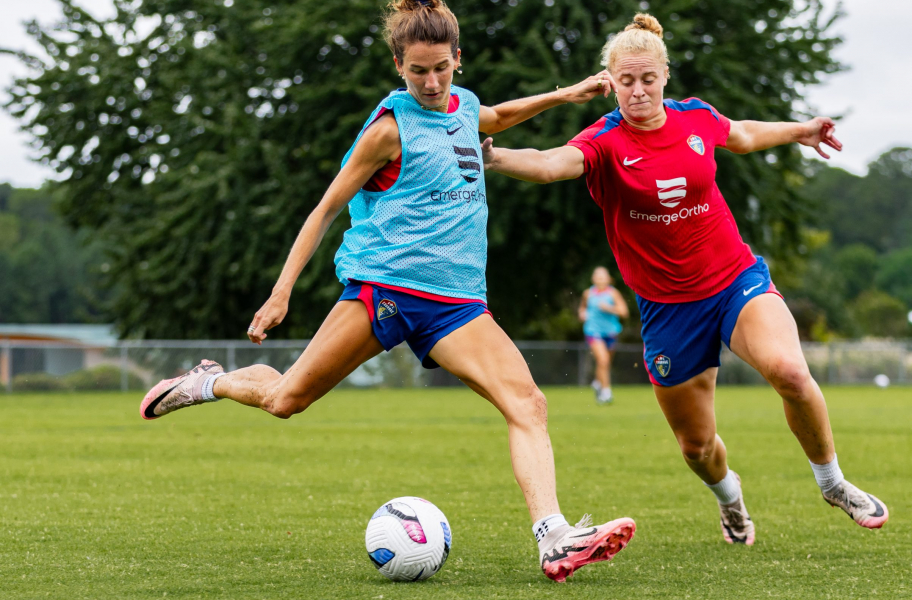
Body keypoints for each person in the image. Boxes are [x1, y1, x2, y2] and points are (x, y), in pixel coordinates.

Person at [138, 0, 635, 581]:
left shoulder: (464, 104)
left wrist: (564, 94)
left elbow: (492, 116)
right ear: (398, 63)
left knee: (527, 402)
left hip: (455, 303)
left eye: (442, 69)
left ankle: (553, 539)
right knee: (285, 400)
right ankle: (210, 382)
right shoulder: (387, 131)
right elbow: (324, 210)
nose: (431, 82)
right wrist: (281, 294)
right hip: (384, 290)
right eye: (418, 70)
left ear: (457, 60)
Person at [481, 13, 888, 546]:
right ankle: (730, 499)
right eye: (625, 81)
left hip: (734, 280)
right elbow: (553, 162)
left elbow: (740, 134)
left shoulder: (694, 118)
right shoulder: (603, 141)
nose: (638, 91)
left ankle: (833, 482)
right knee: (697, 448)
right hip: (668, 308)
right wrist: (495, 157)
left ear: (665, 75)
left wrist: (802, 130)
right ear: (610, 82)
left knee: (789, 370)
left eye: (647, 78)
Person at [578, 266, 628, 404]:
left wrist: (609, 308)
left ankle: (598, 382)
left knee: (605, 363)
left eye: (602, 276)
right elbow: (582, 307)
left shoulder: (613, 294)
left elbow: (624, 312)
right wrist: (582, 313)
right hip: (593, 331)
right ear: (593, 279)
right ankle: (606, 392)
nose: (600, 279)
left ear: (608, 279)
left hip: (611, 332)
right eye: (597, 276)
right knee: (603, 360)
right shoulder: (588, 293)